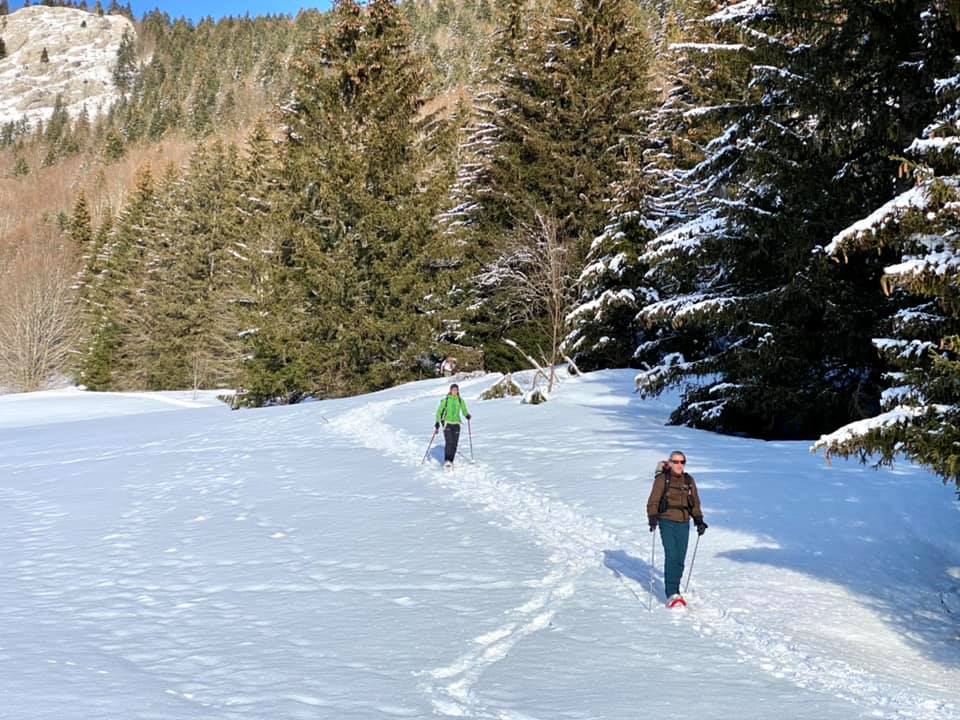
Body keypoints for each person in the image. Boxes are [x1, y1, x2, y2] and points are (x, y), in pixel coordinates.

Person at [646, 451, 707, 608]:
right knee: (672, 554)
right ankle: (671, 593)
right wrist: (652, 517)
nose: (680, 465)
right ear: (670, 463)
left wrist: (699, 520)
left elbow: (695, 503)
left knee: (680, 558)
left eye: (682, 462)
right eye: (676, 462)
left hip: (683, 522)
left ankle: (676, 588)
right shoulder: (662, 480)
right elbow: (653, 501)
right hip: (666, 521)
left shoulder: (689, 480)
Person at [435, 383, 470, 468]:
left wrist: (467, 415)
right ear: (450, 390)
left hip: (457, 424)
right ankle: (447, 461)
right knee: (449, 442)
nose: (454, 391)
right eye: (453, 389)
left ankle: (451, 461)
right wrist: (437, 422)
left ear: (458, 391)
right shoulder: (446, 400)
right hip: (447, 423)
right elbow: (439, 411)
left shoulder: (460, 400)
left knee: (454, 443)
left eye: (456, 390)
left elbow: (464, 409)